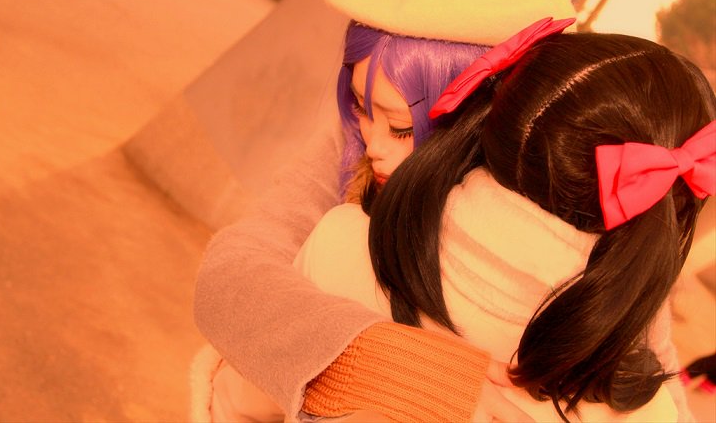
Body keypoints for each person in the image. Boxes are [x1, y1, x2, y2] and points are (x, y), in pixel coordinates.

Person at [193, 0, 576, 422]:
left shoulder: (572, 210)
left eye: (400, 127)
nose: (372, 143)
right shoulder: (352, 144)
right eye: (360, 106)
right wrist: (385, 362)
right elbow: (230, 275)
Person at [295, 31, 715, 421]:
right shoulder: (644, 410)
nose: (371, 144)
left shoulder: (338, 244)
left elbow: (252, 400)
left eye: (400, 127)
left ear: (494, 120)